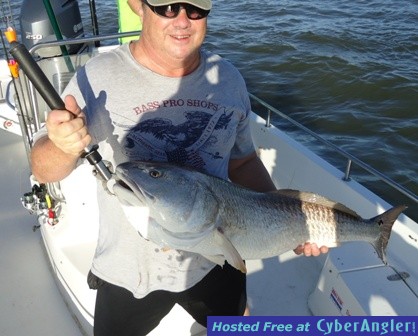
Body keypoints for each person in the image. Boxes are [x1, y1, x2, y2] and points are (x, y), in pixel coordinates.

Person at [30, 0, 328, 334]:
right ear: (138, 6)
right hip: (131, 270)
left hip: (216, 253)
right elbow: (43, 171)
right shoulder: (97, 77)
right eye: (168, 7)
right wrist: (62, 146)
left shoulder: (228, 79)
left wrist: (289, 219)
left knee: (236, 324)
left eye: (195, 9)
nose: (183, 20)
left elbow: (242, 161)